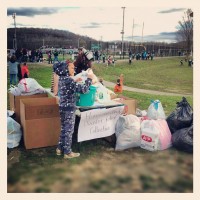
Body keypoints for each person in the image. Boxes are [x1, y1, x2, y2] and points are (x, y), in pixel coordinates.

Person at [55, 61, 95, 159]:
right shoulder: (69, 80)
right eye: (72, 68)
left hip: (62, 107)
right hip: (69, 109)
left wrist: (75, 81)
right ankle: (67, 152)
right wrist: (89, 79)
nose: (74, 69)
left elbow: (69, 87)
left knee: (64, 128)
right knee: (69, 130)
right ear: (66, 69)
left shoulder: (62, 78)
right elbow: (84, 90)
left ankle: (59, 148)